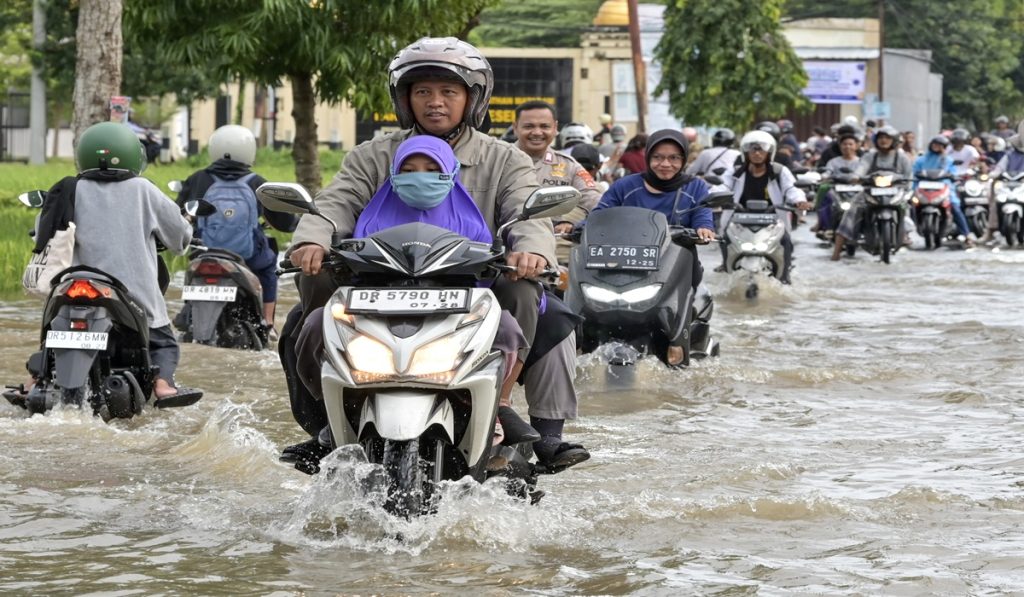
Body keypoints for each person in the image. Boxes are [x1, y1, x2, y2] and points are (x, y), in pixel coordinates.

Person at [280, 36, 586, 473]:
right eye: (422, 91)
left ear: (473, 99)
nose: (435, 103)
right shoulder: (373, 154)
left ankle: (520, 417)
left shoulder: (505, 159)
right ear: (405, 100)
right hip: (379, 285)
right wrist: (312, 240)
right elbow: (336, 203)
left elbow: (526, 210)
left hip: (473, 286)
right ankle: (334, 416)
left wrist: (531, 251)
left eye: (448, 92)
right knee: (309, 312)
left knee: (540, 305)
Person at [31, 122, 199, 404]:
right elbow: (180, 239)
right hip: (129, 294)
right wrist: (187, 224)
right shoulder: (143, 189)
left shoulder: (68, 189)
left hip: (72, 288)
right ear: (133, 154)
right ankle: (162, 384)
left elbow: (42, 233)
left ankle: (35, 379)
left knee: (52, 333)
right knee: (164, 342)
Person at [586, 129, 715, 366]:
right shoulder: (626, 186)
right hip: (625, 265)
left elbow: (703, 213)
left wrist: (704, 229)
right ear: (648, 158)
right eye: (658, 157)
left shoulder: (695, 187)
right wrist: (578, 227)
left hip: (676, 264)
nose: (665, 163)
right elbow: (600, 214)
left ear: (684, 159)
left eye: (674, 158)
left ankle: (679, 348)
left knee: (691, 297)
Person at [176, 125, 298, 330]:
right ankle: (267, 323)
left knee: (193, 269)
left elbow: (179, 214)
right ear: (249, 151)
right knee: (269, 268)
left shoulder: (198, 179)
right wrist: (295, 222)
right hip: (248, 256)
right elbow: (284, 222)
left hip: (204, 252)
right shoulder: (257, 183)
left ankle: (188, 310)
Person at [720, 130, 813, 282]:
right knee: (725, 238)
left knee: (786, 242)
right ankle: (726, 267)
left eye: (761, 149)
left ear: (769, 152)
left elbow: (791, 189)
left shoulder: (779, 171)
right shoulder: (735, 172)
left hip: (773, 219)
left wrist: (799, 201)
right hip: (739, 218)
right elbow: (723, 186)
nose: (757, 153)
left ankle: (785, 276)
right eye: (753, 149)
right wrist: (711, 196)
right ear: (745, 152)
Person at [513, 100, 603, 241]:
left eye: (544, 126)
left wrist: (570, 221)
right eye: (529, 126)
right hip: (503, 243)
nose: (537, 132)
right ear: (515, 127)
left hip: (550, 245)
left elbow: (594, 200)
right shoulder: (497, 159)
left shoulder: (569, 166)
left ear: (555, 128)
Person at [830, 126, 913, 259]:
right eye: (881, 138)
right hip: (870, 191)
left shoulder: (902, 158)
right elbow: (861, 169)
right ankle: (836, 252)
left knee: (906, 206)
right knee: (851, 211)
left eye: (887, 138)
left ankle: (905, 234)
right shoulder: (870, 156)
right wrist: (856, 177)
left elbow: (909, 176)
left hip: (895, 193)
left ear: (894, 140)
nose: (883, 140)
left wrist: (907, 190)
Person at [911, 135, 972, 243]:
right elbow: (914, 174)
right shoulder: (921, 159)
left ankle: (967, 235)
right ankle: (906, 235)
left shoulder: (947, 159)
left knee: (955, 207)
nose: (937, 147)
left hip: (943, 188)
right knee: (911, 206)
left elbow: (952, 173)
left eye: (940, 145)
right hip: (923, 189)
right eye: (935, 144)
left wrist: (953, 176)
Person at [815, 130, 861, 237]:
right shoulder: (833, 162)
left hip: (857, 190)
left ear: (856, 146)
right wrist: (824, 177)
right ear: (840, 146)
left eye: (850, 144)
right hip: (837, 189)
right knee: (827, 198)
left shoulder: (862, 162)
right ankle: (826, 226)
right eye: (845, 144)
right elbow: (827, 172)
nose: (847, 147)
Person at [981, 126, 1024, 242]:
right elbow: (1000, 167)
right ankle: (991, 229)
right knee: (995, 201)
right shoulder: (1010, 155)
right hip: (1009, 185)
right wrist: (993, 174)